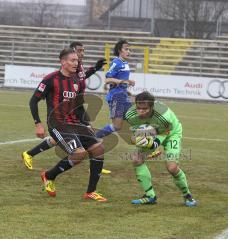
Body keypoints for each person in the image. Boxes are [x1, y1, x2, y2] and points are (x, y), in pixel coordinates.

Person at [29, 48, 107, 201]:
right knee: (78, 154)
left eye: (77, 61)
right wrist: (38, 124)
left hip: (75, 123)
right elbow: (33, 101)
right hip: (57, 124)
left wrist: (86, 123)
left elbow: (78, 107)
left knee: (99, 150)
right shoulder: (50, 79)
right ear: (63, 62)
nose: (76, 63)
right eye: (73, 60)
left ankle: (90, 192)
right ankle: (49, 176)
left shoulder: (77, 81)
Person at [125, 91, 197, 207]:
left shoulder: (163, 117)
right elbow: (135, 134)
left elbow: (165, 132)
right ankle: (150, 196)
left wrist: (154, 144)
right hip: (153, 133)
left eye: (145, 109)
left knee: (172, 168)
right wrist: (136, 139)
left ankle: (187, 195)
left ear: (152, 107)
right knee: (137, 159)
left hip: (171, 133)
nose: (141, 112)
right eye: (138, 108)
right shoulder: (130, 115)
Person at [95, 39, 135, 138]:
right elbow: (108, 79)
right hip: (116, 97)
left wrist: (127, 90)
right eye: (126, 49)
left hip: (123, 96)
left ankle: (143, 141)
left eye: (129, 49)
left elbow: (121, 81)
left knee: (134, 118)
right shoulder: (117, 62)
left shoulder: (125, 63)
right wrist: (123, 82)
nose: (129, 51)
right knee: (117, 126)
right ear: (119, 50)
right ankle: (94, 138)